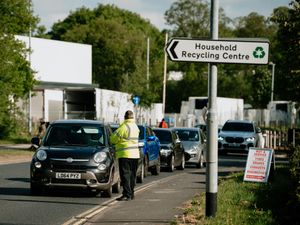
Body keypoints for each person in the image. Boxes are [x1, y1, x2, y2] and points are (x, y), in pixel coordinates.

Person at [110, 110, 140, 201]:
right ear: (132, 117)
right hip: (135, 155)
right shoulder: (135, 127)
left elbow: (113, 139)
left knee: (125, 175)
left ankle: (126, 194)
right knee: (132, 175)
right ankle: (131, 193)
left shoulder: (124, 127)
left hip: (125, 154)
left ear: (125, 117)